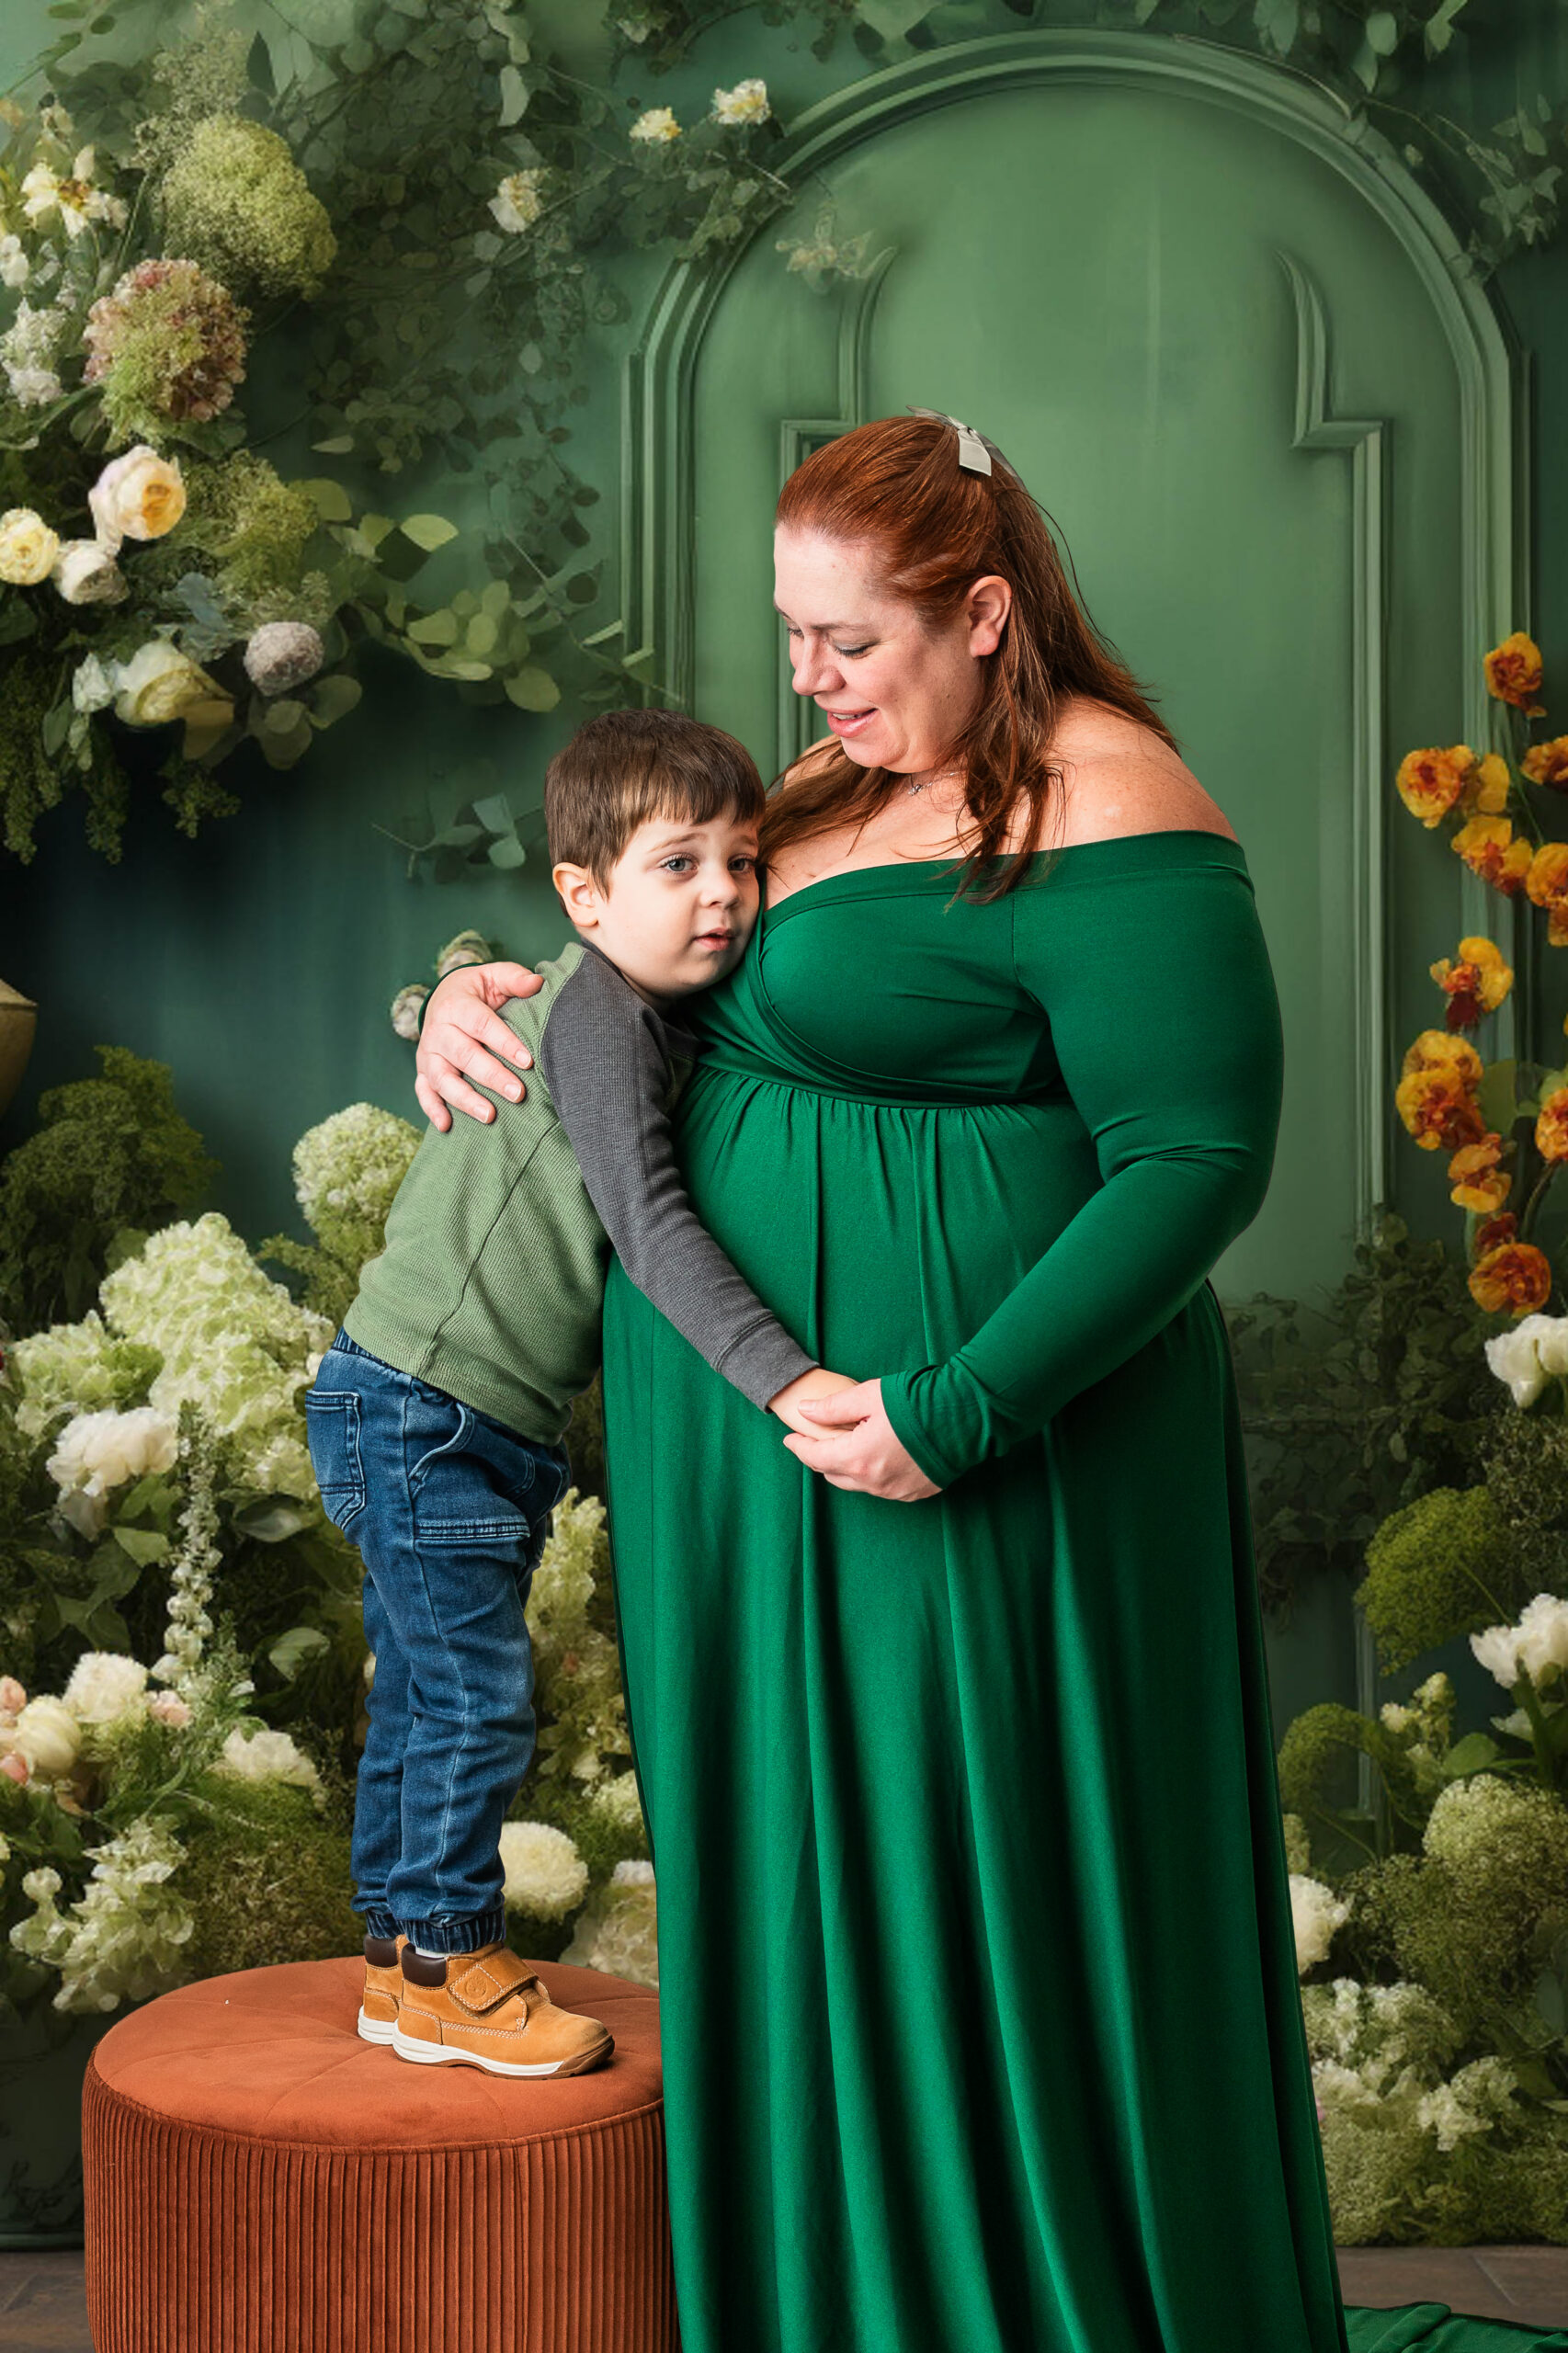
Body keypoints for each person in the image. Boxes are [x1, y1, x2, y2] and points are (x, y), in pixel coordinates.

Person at [412, 417, 1532, 2350]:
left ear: (984, 611)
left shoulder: (1117, 801)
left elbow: (1194, 1157)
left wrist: (958, 1404)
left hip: (982, 1453)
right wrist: (471, 985)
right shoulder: (849, 778)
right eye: (794, 634)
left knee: (990, 1900)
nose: (809, 681)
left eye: (847, 638)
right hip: (765, 1465)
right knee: (814, 1906)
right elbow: (656, 949)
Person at [308, 707, 849, 2083]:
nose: (722, 893)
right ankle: (444, 1960)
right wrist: (786, 1381)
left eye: (741, 862)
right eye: (680, 866)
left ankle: (393, 1959)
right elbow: (650, 1220)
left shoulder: (621, 996)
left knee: (425, 1698)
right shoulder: (604, 1017)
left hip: (417, 1405)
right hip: (429, 1409)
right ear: (584, 894)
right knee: (476, 1704)